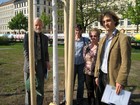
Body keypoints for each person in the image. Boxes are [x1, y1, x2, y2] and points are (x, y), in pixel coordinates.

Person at [94, 11, 131, 105]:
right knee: (102, 101)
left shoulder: (123, 38)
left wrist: (121, 80)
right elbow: (99, 58)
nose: (106, 23)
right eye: (104, 22)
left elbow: (126, 62)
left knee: (113, 103)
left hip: (114, 77)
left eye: (108, 20)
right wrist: (96, 75)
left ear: (115, 21)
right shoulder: (103, 39)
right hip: (102, 75)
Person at [23, 18, 50, 105]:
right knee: (29, 87)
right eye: (36, 25)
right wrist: (30, 63)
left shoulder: (45, 38)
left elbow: (46, 52)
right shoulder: (28, 35)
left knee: (40, 87)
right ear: (33, 26)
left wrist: (47, 61)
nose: (38, 27)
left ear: (42, 25)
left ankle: (39, 103)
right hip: (29, 64)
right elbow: (26, 51)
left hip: (40, 65)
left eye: (40, 25)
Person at [83, 28, 100, 105]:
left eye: (95, 36)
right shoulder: (86, 48)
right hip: (87, 73)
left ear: (98, 37)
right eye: (91, 36)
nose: (93, 37)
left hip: (97, 74)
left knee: (98, 92)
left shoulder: (101, 48)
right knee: (89, 92)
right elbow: (84, 59)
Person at [74, 24, 89, 105]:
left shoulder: (85, 40)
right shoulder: (71, 39)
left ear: (81, 31)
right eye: (76, 30)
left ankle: (79, 99)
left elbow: (89, 49)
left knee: (80, 82)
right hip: (72, 64)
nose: (77, 32)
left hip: (81, 64)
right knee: (70, 81)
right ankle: (67, 97)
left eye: (79, 30)